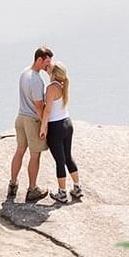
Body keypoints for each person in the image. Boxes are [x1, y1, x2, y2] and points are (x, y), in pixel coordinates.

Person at [8, 46, 53, 204]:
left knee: (19, 151)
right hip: (32, 120)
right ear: (39, 59)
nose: (48, 65)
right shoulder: (36, 81)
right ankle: (32, 189)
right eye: (46, 62)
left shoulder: (24, 73)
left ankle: (12, 185)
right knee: (35, 155)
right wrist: (44, 125)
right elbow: (38, 106)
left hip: (20, 117)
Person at [40, 61, 81, 204]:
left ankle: (62, 193)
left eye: (50, 66)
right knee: (68, 157)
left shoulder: (51, 88)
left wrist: (43, 127)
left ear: (54, 73)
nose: (48, 66)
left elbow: (48, 110)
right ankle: (77, 187)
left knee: (60, 160)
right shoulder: (63, 84)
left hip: (56, 127)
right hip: (67, 123)